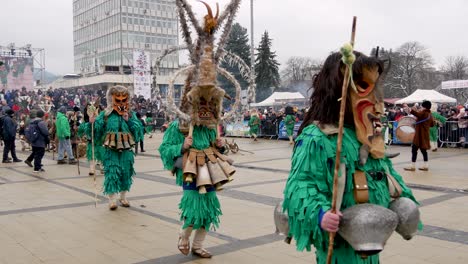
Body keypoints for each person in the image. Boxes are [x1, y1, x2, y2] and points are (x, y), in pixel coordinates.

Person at [282, 51, 419, 263]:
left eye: (376, 85)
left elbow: (386, 173)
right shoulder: (318, 137)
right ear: (337, 88)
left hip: (372, 236)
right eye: (364, 86)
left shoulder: (368, 135)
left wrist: (404, 201)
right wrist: (320, 215)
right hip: (338, 243)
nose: (375, 97)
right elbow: (301, 185)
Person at [90, 85, 143, 210]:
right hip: (111, 149)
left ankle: (123, 197)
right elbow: (96, 131)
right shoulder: (106, 114)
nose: (120, 102)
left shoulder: (130, 114)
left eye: (123, 99)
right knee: (112, 173)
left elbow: (138, 131)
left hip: (126, 149)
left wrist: (129, 120)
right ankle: (112, 199)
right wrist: (93, 122)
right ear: (111, 99)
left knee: (126, 172)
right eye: (117, 99)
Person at [404, 101, 434, 171]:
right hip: (425, 135)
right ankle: (425, 165)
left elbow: (418, 114)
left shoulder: (424, 112)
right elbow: (432, 124)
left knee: (414, 149)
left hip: (419, 135)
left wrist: (410, 109)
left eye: (422, 106)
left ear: (424, 107)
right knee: (424, 151)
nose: (421, 107)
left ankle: (412, 166)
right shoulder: (430, 114)